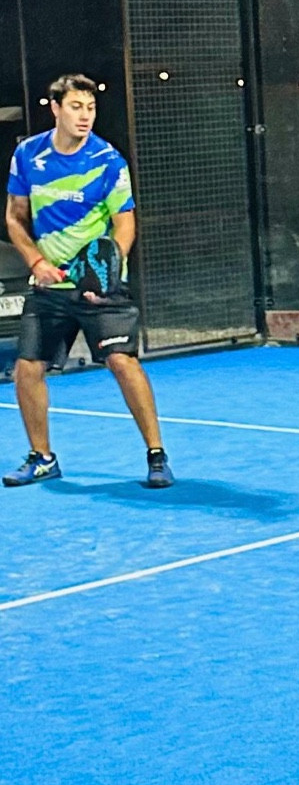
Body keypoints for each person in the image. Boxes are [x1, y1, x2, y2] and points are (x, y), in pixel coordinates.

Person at [4, 73, 173, 488]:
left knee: (122, 362)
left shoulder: (108, 161)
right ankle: (42, 458)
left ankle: (156, 455)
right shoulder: (28, 156)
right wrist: (36, 262)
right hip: (50, 287)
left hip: (101, 289)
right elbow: (15, 217)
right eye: (76, 107)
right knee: (27, 368)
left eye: (91, 108)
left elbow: (125, 224)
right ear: (55, 108)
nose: (85, 116)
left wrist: (106, 271)